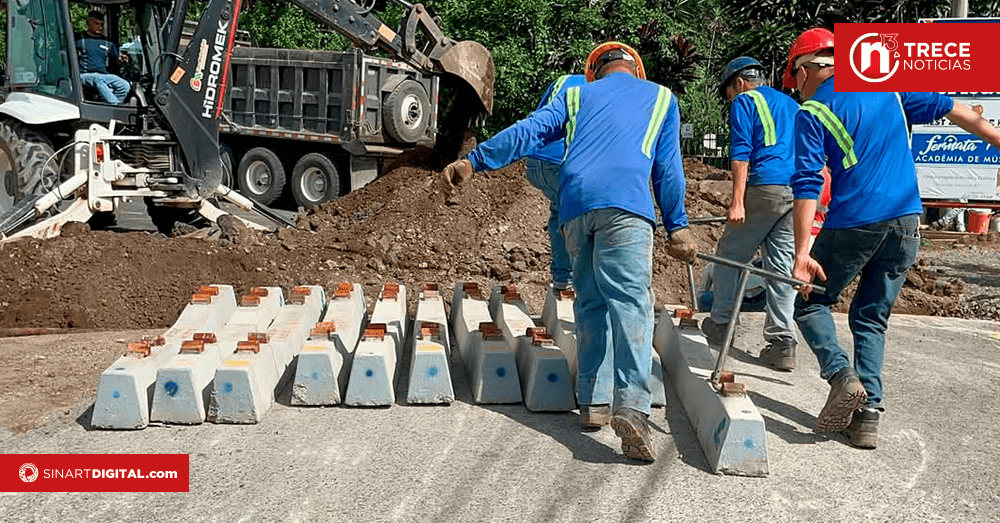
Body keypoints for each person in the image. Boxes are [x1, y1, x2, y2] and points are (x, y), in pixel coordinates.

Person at [442, 41, 698, 462]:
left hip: (575, 208)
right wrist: (678, 226)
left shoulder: (576, 94)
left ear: (594, 71)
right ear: (636, 69)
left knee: (592, 303)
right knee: (631, 304)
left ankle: (593, 404)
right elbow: (667, 167)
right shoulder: (661, 97)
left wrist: (475, 161)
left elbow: (529, 131)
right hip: (626, 206)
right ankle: (632, 406)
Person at [786, 27, 1000, 449]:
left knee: (811, 304)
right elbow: (960, 111)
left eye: (796, 81)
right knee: (869, 316)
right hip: (906, 222)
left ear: (807, 70)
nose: (797, 90)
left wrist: (802, 251)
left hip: (854, 222)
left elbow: (807, 183)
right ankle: (867, 416)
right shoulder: (887, 86)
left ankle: (842, 376)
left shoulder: (811, 113)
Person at [699, 56, 800, 372]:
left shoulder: (745, 101)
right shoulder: (791, 104)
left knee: (730, 255)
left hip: (765, 186)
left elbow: (741, 155)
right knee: (780, 266)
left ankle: (720, 324)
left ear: (739, 83)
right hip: (796, 190)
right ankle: (783, 343)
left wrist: (737, 201)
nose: (730, 98)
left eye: (728, 92)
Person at [524, 73, 586, 292]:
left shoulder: (565, 81)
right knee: (583, 218)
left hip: (536, 161)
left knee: (561, 211)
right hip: (561, 162)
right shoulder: (600, 92)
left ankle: (562, 278)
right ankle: (579, 280)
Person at [76, 10, 130, 104]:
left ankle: (111, 104)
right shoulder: (79, 39)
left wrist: (121, 58)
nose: (100, 27)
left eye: (102, 24)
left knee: (125, 85)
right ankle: (114, 107)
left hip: (103, 75)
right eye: (96, 23)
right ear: (89, 22)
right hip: (83, 75)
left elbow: (115, 58)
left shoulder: (107, 42)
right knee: (99, 79)